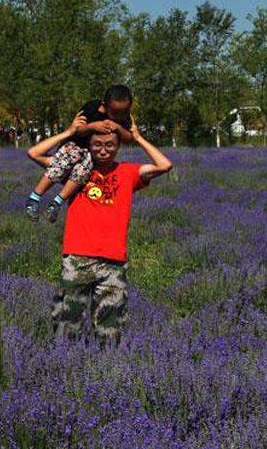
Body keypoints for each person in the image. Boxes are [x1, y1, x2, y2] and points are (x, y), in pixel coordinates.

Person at [26, 108, 173, 347]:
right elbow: (34, 153)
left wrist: (137, 137)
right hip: (77, 258)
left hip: (113, 262)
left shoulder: (127, 172)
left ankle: (103, 372)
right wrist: (70, 132)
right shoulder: (77, 169)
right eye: (97, 145)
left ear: (118, 147)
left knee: (109, 330)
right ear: (89, 145)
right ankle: (64, 368)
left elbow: (164, 165)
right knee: (66, 325)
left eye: (109, 145)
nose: (103, 150)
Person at [25, 85, 136, 223]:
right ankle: (35, 197)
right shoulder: (92, 108)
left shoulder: (125, 119)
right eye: (115, 113)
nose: (120, 117)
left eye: (124, 112)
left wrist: (119, 128)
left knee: (83, 170)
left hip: (91, 155)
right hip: (75, 146)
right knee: (66, 160)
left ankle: (57, 202)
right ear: (103, 106)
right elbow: (78, 130)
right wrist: (92, 126)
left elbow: (129, 139)